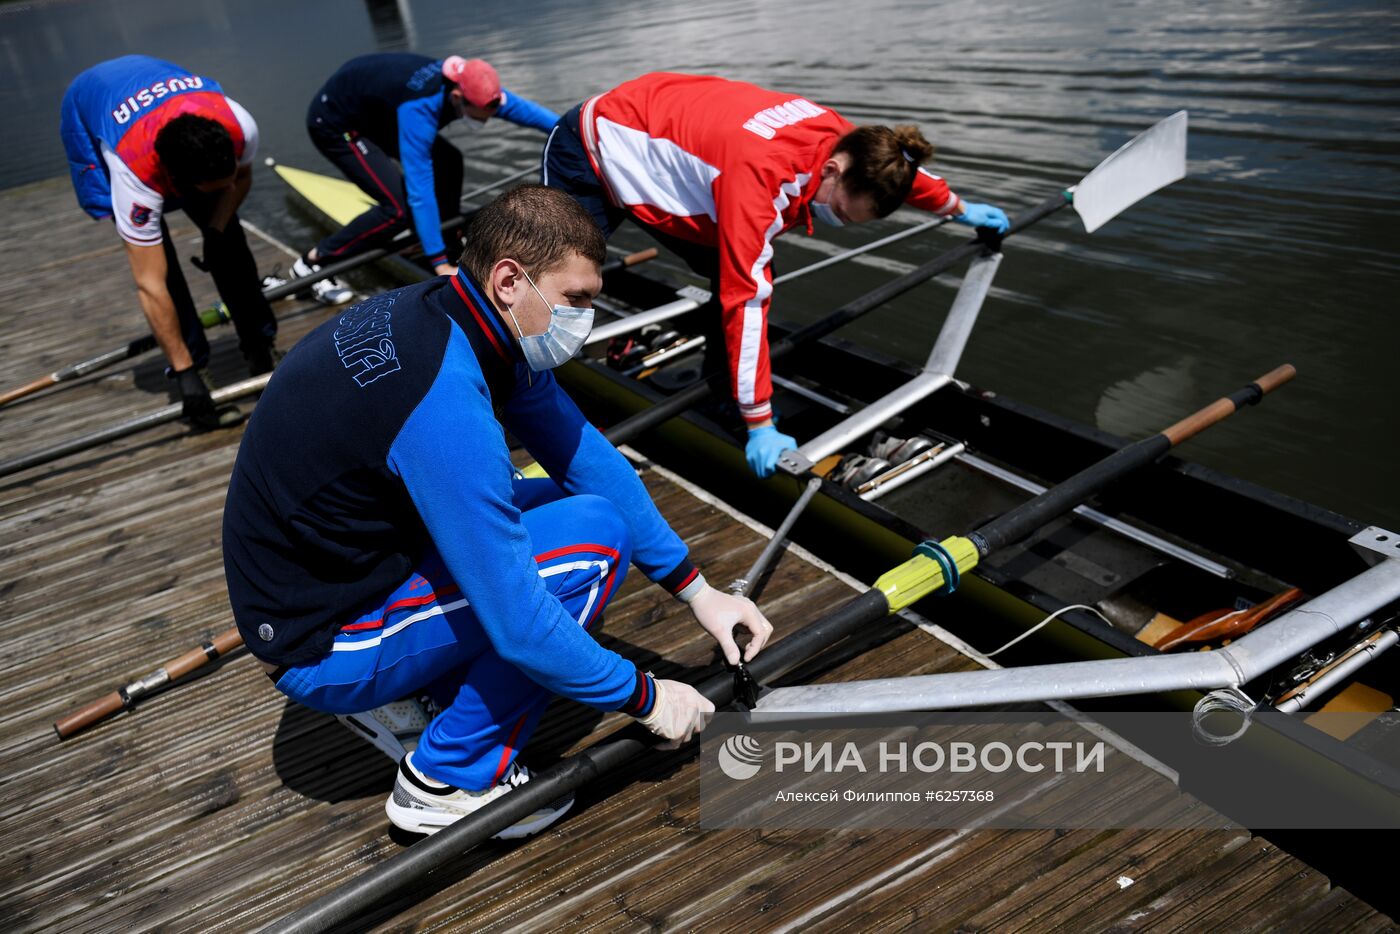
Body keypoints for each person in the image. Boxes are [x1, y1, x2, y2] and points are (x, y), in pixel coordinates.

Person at [222, 185, 772, 837]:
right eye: (576, 301)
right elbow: (520, 625)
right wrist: (647, 697)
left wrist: (699, 592)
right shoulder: (443, 402)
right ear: (511, 278)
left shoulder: (455, 316)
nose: (584, 322)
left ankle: (426, 691)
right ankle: (447, 778)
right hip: (318, 644)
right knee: (591, 547)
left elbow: (583, 455)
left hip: (339, 571)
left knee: (571, 505)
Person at [542, 72, 1011, 477]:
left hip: (673, 156)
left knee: (731, 273)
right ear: (831, 171)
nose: (841, 225)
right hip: (592, 146)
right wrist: (763, 424)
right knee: (566, 287)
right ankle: (524, 389)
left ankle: (728, 396)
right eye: (845, 215)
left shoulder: (849, 143)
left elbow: (900, 168)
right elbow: (746, 300)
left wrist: (959, 208)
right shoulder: (760, 183)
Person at [60, 54, 281, 428]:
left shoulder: (239, 124)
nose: (226, 188)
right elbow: (150, 284)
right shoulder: (134, 178)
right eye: (214, 188)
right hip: (94, 109)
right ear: (175, 183)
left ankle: (259, 344)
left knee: (230, 243)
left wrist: (214, 229)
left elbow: (239, 180)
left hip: (160, 90)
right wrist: (185, 373)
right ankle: (193, 364)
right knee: (165, 272)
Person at [293, 53, 560, 299]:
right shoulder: (419, 109)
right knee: (398, 209)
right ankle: (313, 261)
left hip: (375, 108)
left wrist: (572, 132)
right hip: (336, 122)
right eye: (484, 116)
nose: (490, 120)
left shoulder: (476, 88)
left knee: (450, 160)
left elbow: (536, 116)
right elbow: (419, 190)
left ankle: (446, 238)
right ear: (457, 97)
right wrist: (439, 265)